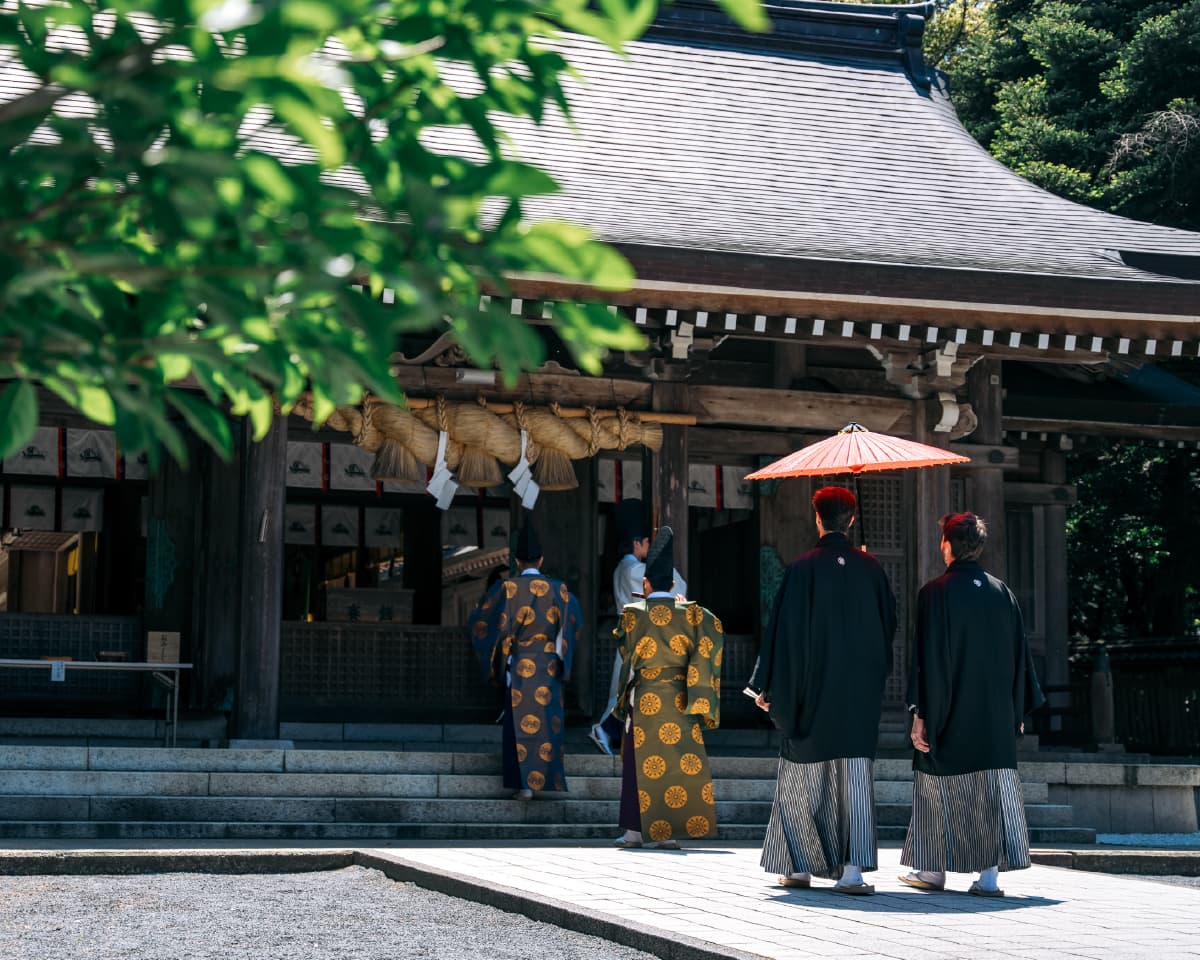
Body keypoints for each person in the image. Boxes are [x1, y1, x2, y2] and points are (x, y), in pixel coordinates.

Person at [750, 485, 897, 895]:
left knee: (801, 777)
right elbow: (889, 626)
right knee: (853, 779)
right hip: (857, 692)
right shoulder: (871, 568)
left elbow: (783, 632)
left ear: (817, 518)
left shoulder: (802, 568)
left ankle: (797, 867)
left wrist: (769, 686)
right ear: (850, 520)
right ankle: (853, 871)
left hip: (811, 690)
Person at [900, 512, 1045, 897]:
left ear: (946, 545)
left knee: (934, 784)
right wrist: (1017, 711)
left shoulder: (935, 592)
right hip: (996, 713)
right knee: (990, 791)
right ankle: (989, 875)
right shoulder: (1002, 592)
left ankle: (931, 870)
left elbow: (927, 659)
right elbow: (1020, 657)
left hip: (951, 707)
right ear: (979, 547)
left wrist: (920, 714)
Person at [612, 525, 721, 849]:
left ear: (645, 584)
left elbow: (625, 650)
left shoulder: (633, 613)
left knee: (637, 763)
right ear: (674, 585)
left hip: (644, 695)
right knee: (675, 763)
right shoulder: (694, 614)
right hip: (679, 697)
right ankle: (669, 832)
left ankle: (633, 831)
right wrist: (687, 607)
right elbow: (713, 633)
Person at [468, 521, 581, 800]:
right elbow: (573, 624)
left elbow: (481, 622)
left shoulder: (507, 589)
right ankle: (546, 778)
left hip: (518, 663)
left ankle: (523, 785)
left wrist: (501, 654)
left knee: (519, 725)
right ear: (541, 560)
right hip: (549, 663)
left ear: (517, 561)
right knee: (546, 722)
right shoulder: (560, 590)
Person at [590, 498, 688, 756]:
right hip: (639, 634)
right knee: (630, 690)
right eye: (646, 542)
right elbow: (675, 585)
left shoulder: (624, 568)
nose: (648, 545)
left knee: (624, 689)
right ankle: (604, 729)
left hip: (631, 631)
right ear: (636, 543)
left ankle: (614, 734)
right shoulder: (633, 569)